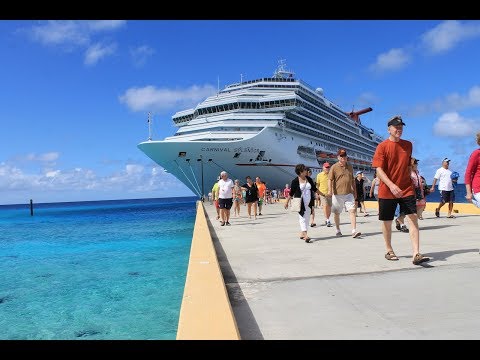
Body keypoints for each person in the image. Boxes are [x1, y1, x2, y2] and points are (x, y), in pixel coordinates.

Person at [372, 115, 429, 265]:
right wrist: (391, 185)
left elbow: (408, 165)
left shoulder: (408, 145)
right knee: (387, 221)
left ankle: (416, 253)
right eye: (396, 127)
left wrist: (412, 180)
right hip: (387, 189)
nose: (399, 129)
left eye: (401, 127)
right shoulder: (382, 146)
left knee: (413, 218)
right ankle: (389, 249)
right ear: (389, 129)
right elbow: (378, 170)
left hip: (406, 188)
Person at [328, 149, 361, 238]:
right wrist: (330, 191)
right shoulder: (334, 167)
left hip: (348, 193)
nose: (344, 157)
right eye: (341, 156)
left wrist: (355, 191)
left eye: (345, 156)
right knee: (337, 213)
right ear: (338, 157)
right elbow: (330, 179)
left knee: (352, 211)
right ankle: (338, 230)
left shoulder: (350, 166)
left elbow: (352, 180)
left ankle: (354, 231)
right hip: (337, 194)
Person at [284, 163, 320, 243]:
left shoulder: (309, 179)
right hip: (300, 202)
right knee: (302, 218)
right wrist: (286, 202)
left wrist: (322, 194)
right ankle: (306, 235)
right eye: (304, 169)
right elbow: (291, 192)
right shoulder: (295, 181)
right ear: (300, 172)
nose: (306, 170)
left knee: (306, 218)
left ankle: (302, 233)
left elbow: (314, 189)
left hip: (309, 202)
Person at [465, 131, 480, 209]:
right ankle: (472, 201)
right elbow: (468, 173)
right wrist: (469, 192)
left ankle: (472, 202)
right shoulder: (476, 154)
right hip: (478, 187)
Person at [315, 162, 333, 227]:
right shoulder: (319, 175)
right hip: (322, 193)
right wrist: (317, 193)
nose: (327, 168)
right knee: (325, 206)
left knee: (329, 207)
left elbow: (334, 184)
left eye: (328, 167)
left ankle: (327, 218)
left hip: (330, 193)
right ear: (323, 167)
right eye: (326, 167)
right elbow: (317, 185)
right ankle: (328, 220)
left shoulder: (331, 175)